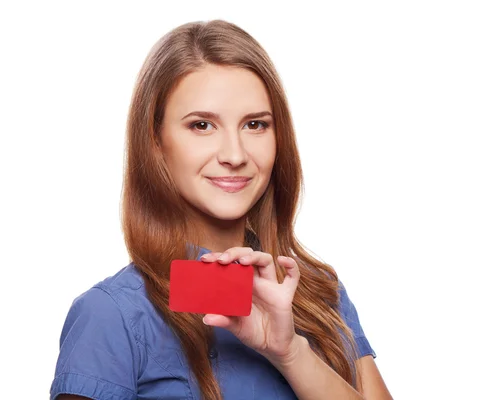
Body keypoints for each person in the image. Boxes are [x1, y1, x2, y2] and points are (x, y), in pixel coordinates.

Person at [50, 19, 393, 400]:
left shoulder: (318, 294)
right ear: (155, 141)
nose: (235, 154)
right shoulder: (111, 315)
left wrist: (291, 353)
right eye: (201, 125)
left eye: (255, 125)